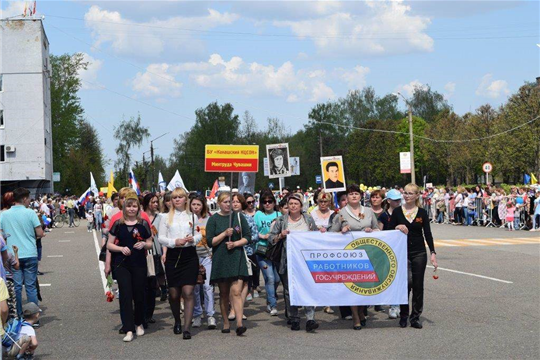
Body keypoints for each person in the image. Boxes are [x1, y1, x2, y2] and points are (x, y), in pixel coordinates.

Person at [329, 184, 379, 330]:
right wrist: (342, 231)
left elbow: (378, 229)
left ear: (361, 196)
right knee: (353, 286)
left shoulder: (369, 211)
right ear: (347, 197)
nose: (354, 196)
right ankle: (355, 316)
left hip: (368, 252)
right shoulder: (341, 213)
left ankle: (362, 311)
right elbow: (332, 234)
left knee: (366, 284)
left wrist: (371, 230)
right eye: (351, 194)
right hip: (350, 254)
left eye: (357, 193)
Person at [268, 193, 320, 332]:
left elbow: (315, 235)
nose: (293, 206)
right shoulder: (281, 221)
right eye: (290, 204)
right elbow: (271, 239)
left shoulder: (308, 218)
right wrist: (280, 235)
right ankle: (294, 317)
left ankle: (310, 318)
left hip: (305, 260)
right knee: (289, 290)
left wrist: (318, 232)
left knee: (308, 288)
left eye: (296, 204)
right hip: (287, 261)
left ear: (301, 206)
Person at [389, 183, 438, 329]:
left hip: (419, 252)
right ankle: (403, 315)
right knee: (406, 284)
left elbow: (427, 234)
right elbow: (388, 230)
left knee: (417, 284)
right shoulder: (397, 212)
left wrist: (433, 253)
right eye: (405, 193)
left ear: (417, 195)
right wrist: (397, 227)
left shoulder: (422, 213)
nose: (407, 196)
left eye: (410, 193)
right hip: (402, 252)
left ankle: (415, 317)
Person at [107, 194, 153, 342]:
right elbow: (109, 244)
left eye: (134, 206)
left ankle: (139, 322)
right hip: (122, 264)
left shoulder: (143, 223)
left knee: (139, 294)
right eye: (129, 206)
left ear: (138, 208)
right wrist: (120, 249)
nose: (131, 209)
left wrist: (144, 245)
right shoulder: (118, 224)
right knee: (125, 295)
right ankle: (128, 329)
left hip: (139, 263)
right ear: (124, 207)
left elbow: (150, 242)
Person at [157, 188, 201, 339]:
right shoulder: (165, 217)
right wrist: (174, 242)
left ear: (185, 199)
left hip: (189, 256)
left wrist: (193, 239)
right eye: (174, 197)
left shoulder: (192, 215)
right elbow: (161, 238)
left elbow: (199, 234)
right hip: (173, 256)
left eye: (180, 197)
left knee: (188, 292)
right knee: (174, 293)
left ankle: (187, 328)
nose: (177, 200)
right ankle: (177, 320)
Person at [206, 192, 251, 336]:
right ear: (219, 203)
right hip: (221, 259)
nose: (228, 204)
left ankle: (239, 323)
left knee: (236, 292)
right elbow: (210, 241)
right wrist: (224, 234)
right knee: (224, 293)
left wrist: (236, 243)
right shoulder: (213, 219)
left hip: (236, 257)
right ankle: (225, 322)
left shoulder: (238, 217)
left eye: (230, 201)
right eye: (225, 202)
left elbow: (248, 237)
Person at [0, 188, 44, 320]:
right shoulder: (30, 213)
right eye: (29, 198)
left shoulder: (4, 215)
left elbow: (2, 235)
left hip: (12, 254)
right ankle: (33, 317)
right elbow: (40, 233)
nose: (30, 201)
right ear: (24, 198)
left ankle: (18, 316)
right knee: (31, 286)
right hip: (30, 252)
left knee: (17, 287)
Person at [190, 194, 217, 330]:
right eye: (193, 204)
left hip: (207, 256)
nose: (196, 207)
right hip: (192, 257)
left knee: (208, 286)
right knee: (195, 287)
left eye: (198, 205)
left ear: (203, 206)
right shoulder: (187, 219)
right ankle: (197, 315)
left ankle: (210, 314)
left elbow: (214, 237)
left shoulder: (209, 219)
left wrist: (213, 253)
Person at [229, 193, 258, 320]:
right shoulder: (227, 218)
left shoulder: (248, 218)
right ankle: (232, 309)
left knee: (246, 283)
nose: (235, 203)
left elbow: (255, 235)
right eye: (233, 201)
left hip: (247, 252)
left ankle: (239, 308)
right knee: (233, 283)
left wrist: (245, 238)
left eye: (237, 201)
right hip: (232, 252)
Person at [254, 190, 281, 316]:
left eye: (270, 201)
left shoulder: (279, 214)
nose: (267, 204)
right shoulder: (258, 214)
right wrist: (263, 236)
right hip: (262, 250)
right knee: (269, 278)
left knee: (276, 279)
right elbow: (253, 231)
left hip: (276, 250)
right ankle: (272, 304)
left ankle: (270, 297)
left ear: (274, 202)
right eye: (264, 202)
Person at [377, 189, 402, 319]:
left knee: (399, 278)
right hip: (387, 250)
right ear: (389, 201)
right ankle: (390, 303)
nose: (398, 202)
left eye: (399, 199)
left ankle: (396, 305)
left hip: (401, 250)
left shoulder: (404, 214)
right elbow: (379, 233)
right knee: (388, 277)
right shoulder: (383, 216)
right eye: (395, 200)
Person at [309, 190, 335, 315]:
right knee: (316, 275)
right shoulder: (312, 214)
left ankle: (328, 302)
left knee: (329, 276)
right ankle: (314, 300)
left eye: (325, 201)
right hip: (316, 249)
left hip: (330, 249)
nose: (323, 203)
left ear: (329, 202)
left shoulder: (334, 214)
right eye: (320, 201)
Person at [142, 193, 162, 327]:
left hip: (156, 252)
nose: (155, 204)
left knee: (153, 284)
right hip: (144, 253)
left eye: (156, 202)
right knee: (142, 284)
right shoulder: (141, 216)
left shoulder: (161, 218)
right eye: (152, 202)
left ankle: (149, 314)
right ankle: (141, 313)